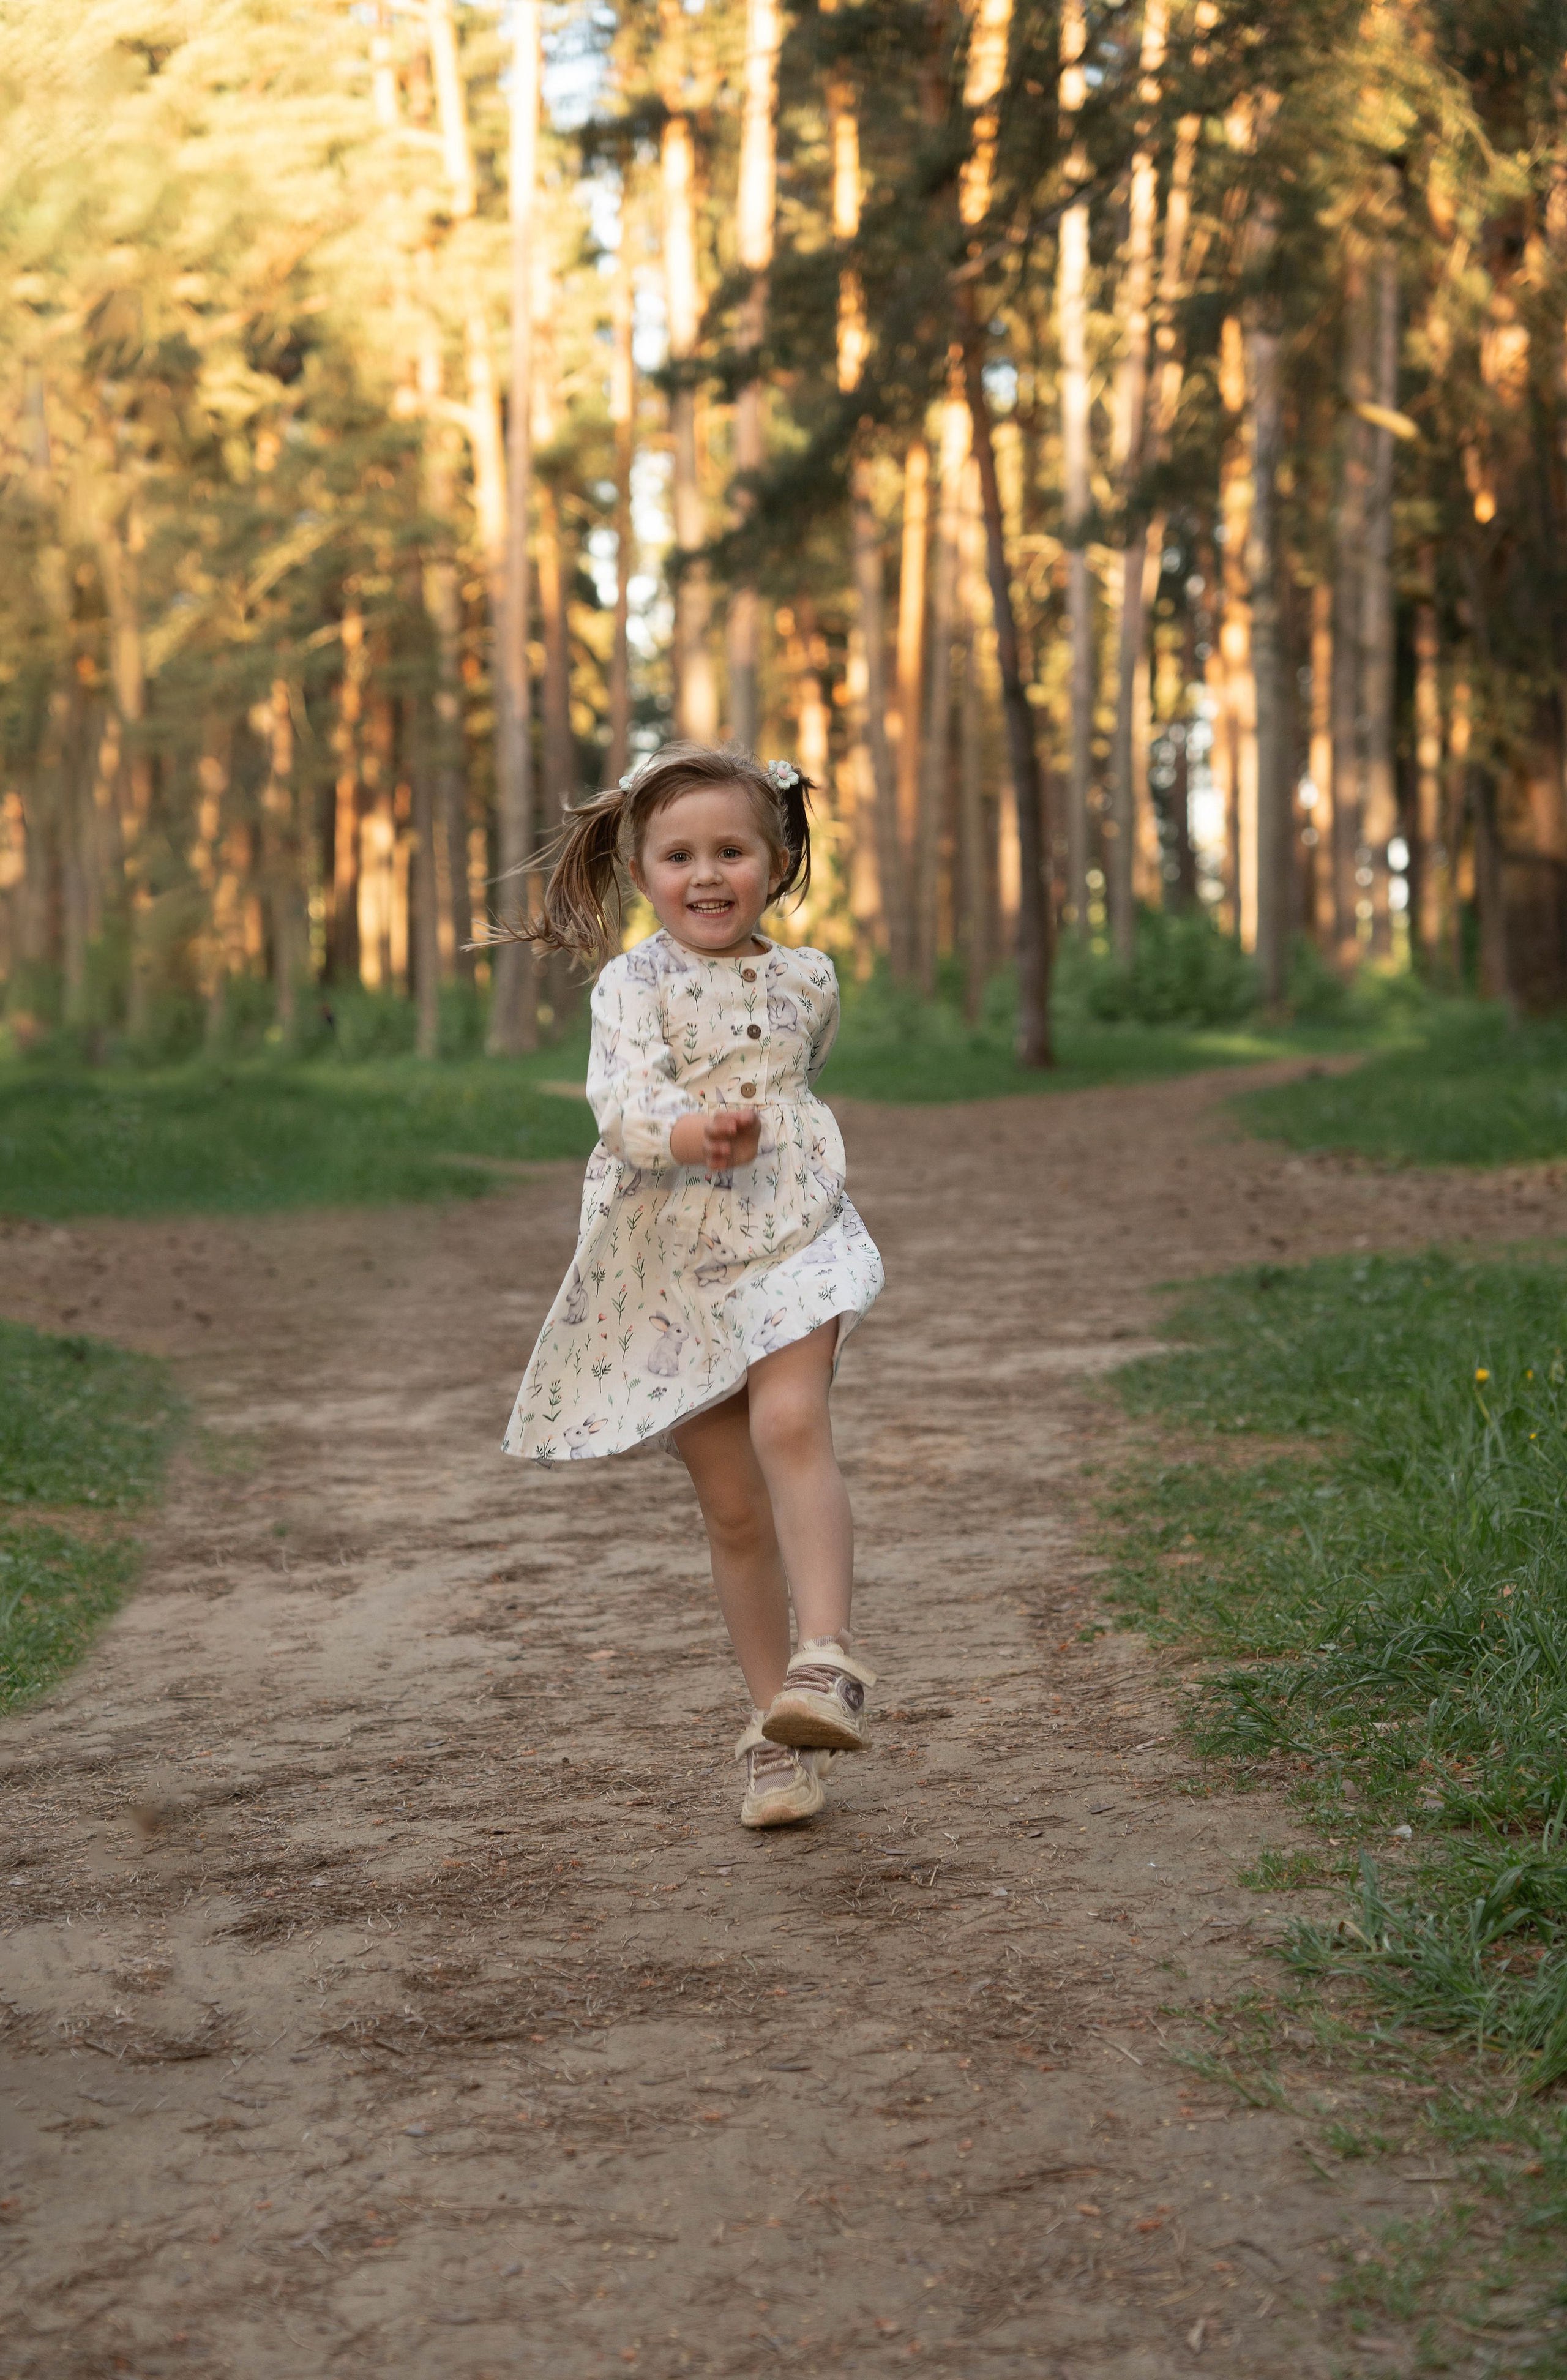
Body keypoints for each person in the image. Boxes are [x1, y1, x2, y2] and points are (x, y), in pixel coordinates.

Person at [499, 741, 884, 1830]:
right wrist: (689, 1131)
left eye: (731, 851)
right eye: (678, 856)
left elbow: (800, 1089)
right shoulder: (633, 983)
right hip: (670, 1258)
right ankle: (776, 1733)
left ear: (776, 861)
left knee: (794, 1420)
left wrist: (760, 1138)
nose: (706, 875)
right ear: (640, 871)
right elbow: (622, 1108)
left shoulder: (811, 978)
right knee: (728, 1505)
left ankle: (828, 1662)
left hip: (794, 1234)